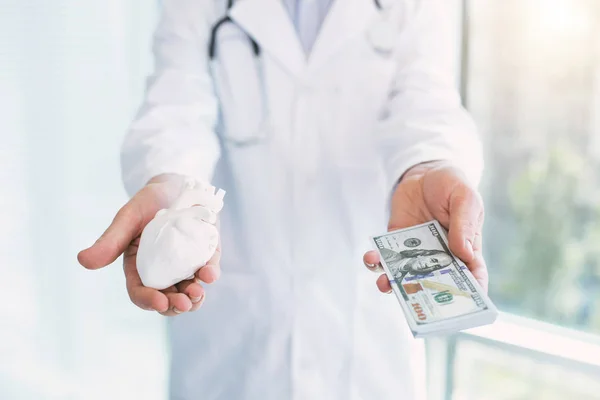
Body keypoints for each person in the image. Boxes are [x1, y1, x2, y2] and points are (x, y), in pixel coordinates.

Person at [78, 0, 488, 399]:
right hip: (235, 336)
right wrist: (172, 184)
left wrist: (426, 166)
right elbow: (176, 104)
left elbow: (428, 102)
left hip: (366, 341)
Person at [379, 248, 454, 282]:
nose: (429, 266)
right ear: (422, 255)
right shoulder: (387, 254)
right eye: (433, 260)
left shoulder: (400, 281)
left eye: (436, 266)